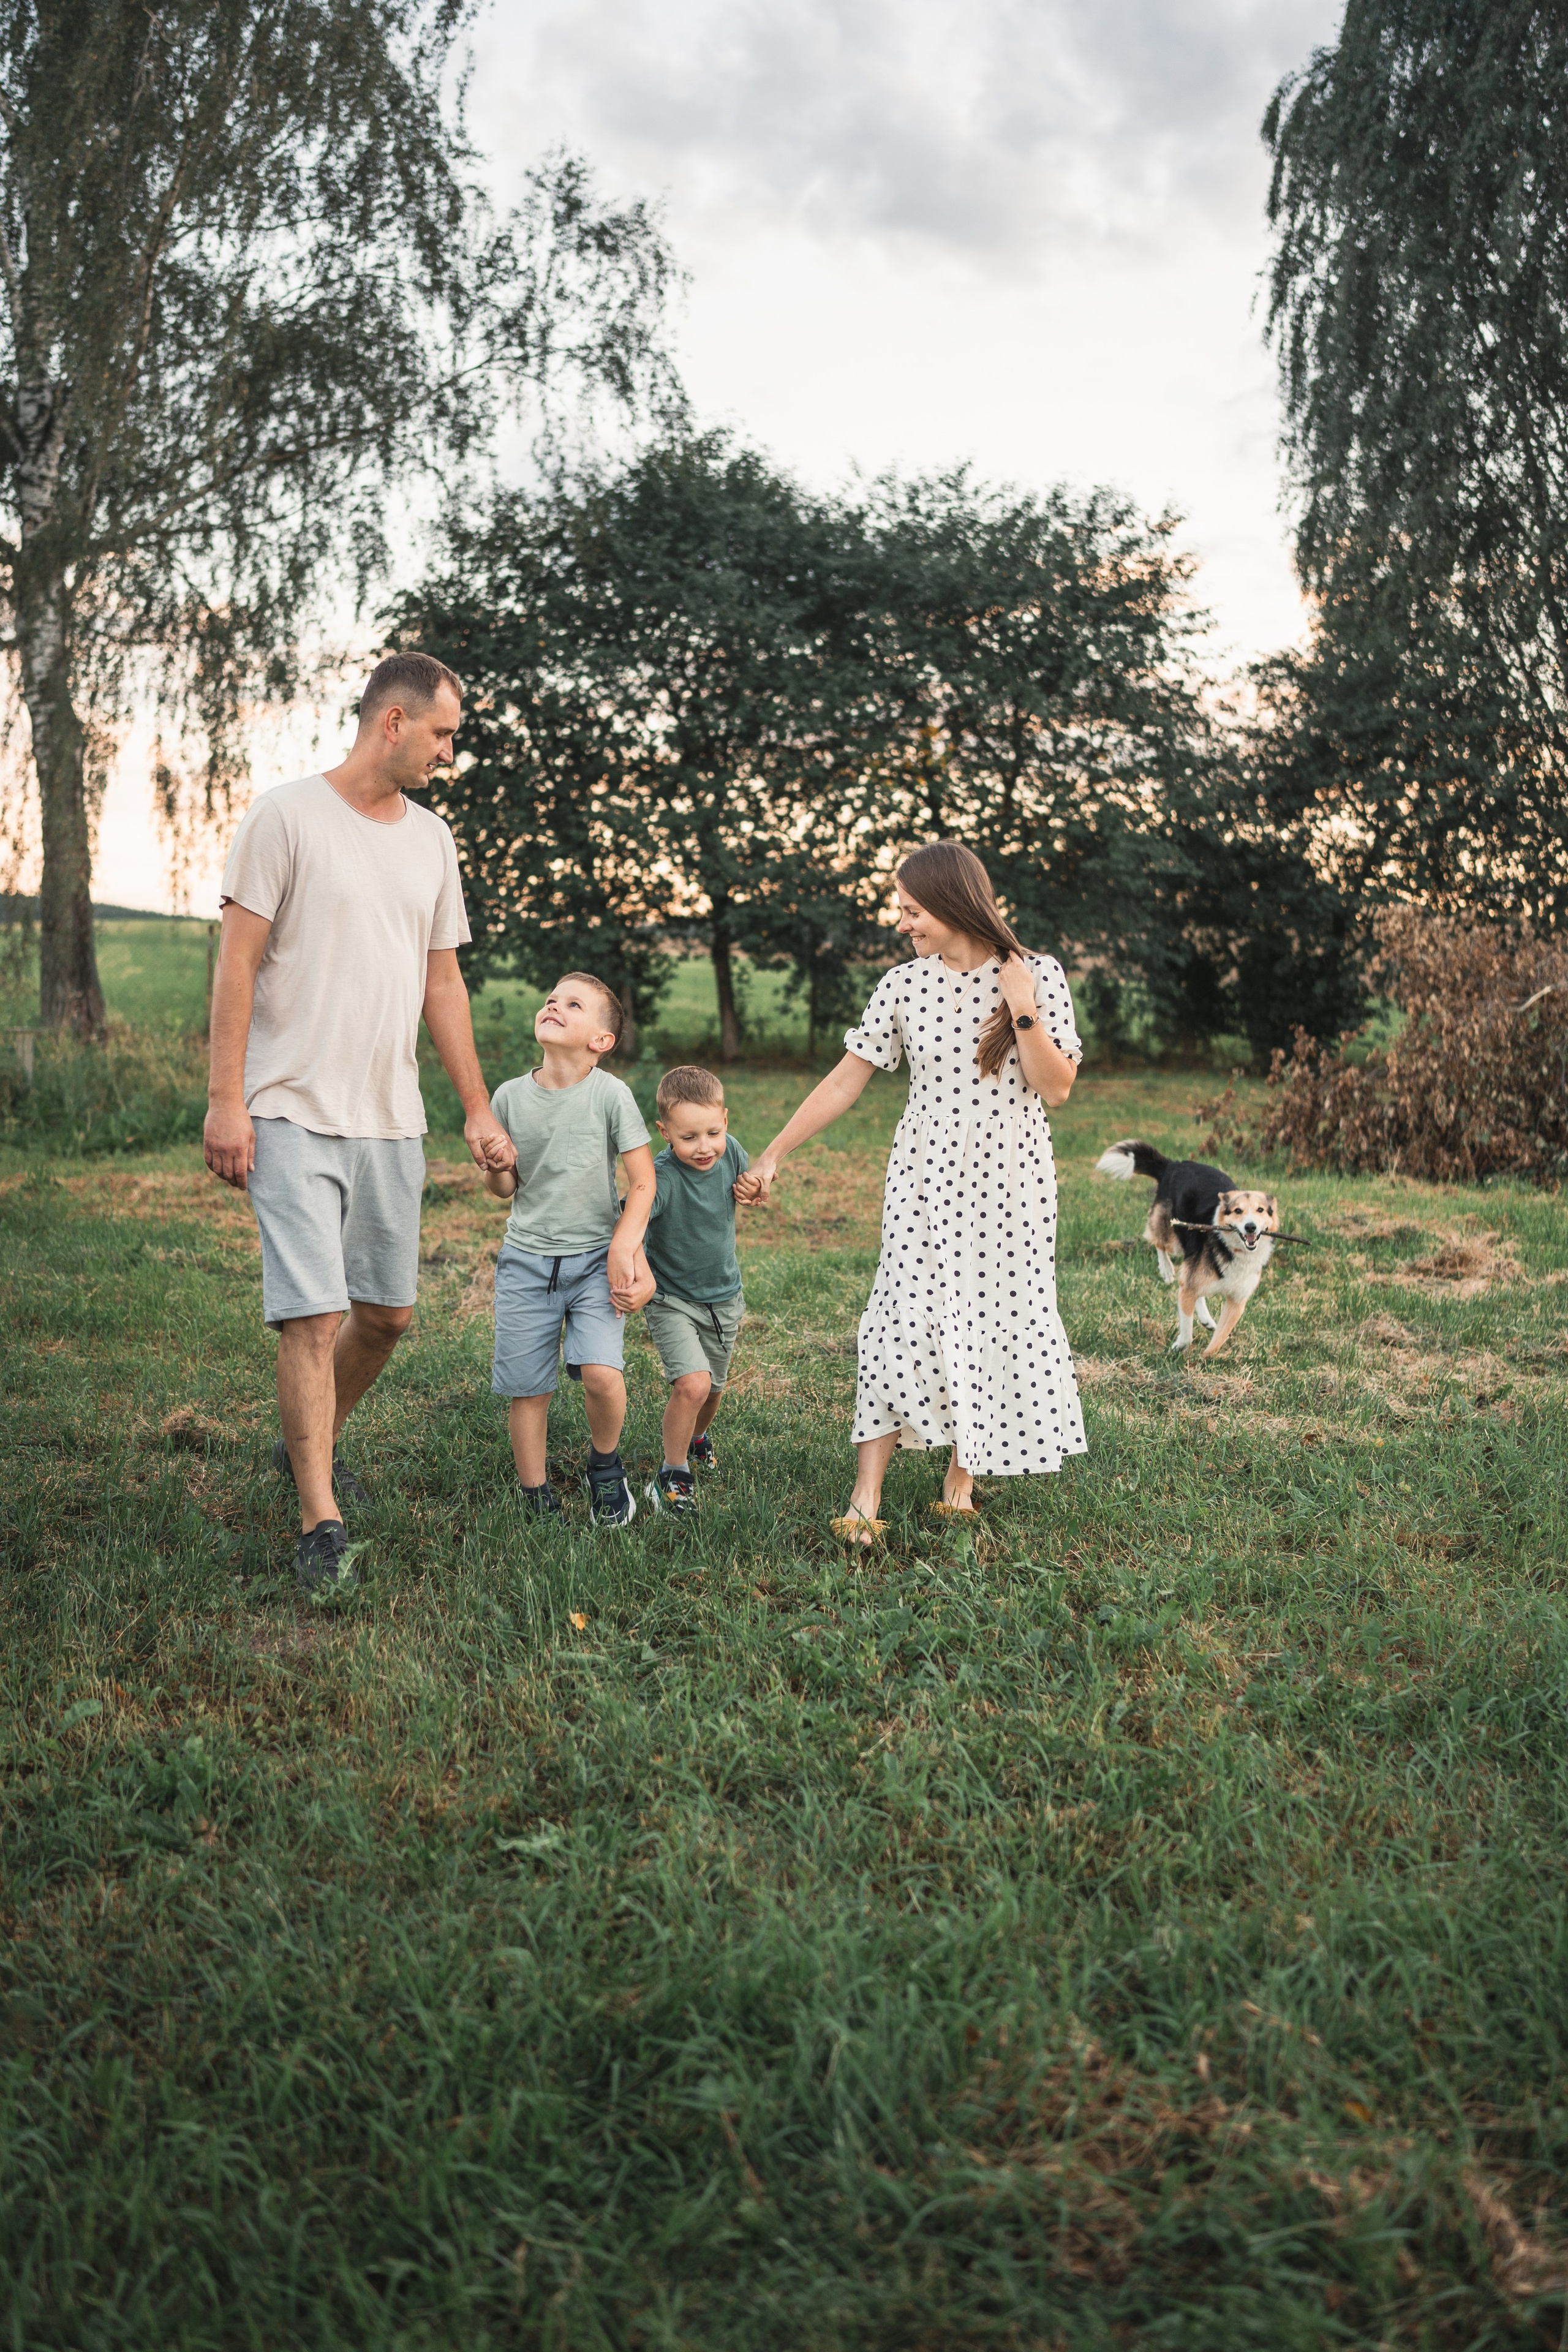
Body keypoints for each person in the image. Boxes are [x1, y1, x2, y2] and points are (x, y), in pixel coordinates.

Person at [204, 652, 516, 1592]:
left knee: (386, 1316)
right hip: (289, 1102)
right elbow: (236, 966)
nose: (449, 755)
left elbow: (442, 982)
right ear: (394, 722)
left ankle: (306, 1444)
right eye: (444, 735)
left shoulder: (433, 840)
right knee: (313, 1314)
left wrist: (471, 1106)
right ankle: (319, 1517)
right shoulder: (286, 816)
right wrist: (227, 1098)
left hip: (390, 1114)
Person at [736, 840, 1086, 1544]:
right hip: (924, 1174)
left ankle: (963, 1475)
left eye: (912, 910)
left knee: (995, 1312)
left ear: (955, 905)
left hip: (1011, 1176)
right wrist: (776, 1150)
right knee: (900, 1313)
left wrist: (1023, 1012)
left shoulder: (1036, 976)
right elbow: (845, 1079)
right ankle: (865, 1496)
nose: (902, 923)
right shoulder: (903, 985)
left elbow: (1056, 1088)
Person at [484, 974, 655, 1528]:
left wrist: (624, 1248)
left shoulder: (610, 1095)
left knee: (603, 1374)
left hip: (592, 1264)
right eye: (551, 998)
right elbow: (507, 1191)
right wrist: (497, 1167)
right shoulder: (509, 1097)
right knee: (528, 1387)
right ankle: (534, 1493)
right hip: (525, 1263)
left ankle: (604, 1467)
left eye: (573, 1004)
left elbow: (644, 1183)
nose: (554, 1005)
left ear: (600, 1041)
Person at [638, 1065, 758, 1518]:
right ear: (664, 1132)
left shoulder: (731, 1154)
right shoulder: (662, 1176)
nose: (704, 1147)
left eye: (712, 1132)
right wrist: (629, 1266)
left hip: (724, 1296)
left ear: (725, 1120)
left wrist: (755, 1187)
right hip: (672, 1298)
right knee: (692, 1384)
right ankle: (673, 1474)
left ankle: (697, 1438)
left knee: (713, 1391)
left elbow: (751, 1185)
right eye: (689, 1137)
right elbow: (633, 1221)